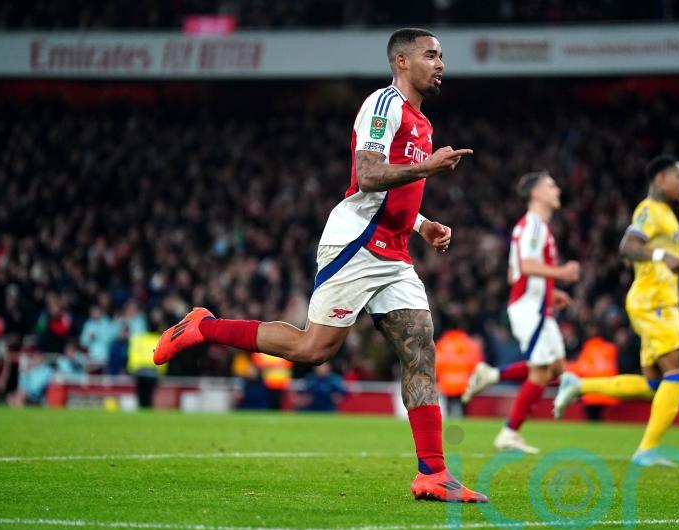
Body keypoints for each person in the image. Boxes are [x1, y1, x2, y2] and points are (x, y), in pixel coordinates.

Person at [152, 28, 487, 503]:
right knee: (313, 350)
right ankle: (206, 328)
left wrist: (423, 223)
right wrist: (427, 169)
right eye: (431, 55)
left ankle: (432, 474)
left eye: (441, 56)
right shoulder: (383, 105)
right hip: (356, 243)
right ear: (401, 62)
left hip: (394, 251)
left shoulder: (424, 124)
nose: (441, 63)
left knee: (419, 346)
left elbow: (395, 194)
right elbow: (367, 176)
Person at [553, 154, 679, 467]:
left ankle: (578, 385)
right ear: (661, 178)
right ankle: (647, 451)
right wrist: (665, 254)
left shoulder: (665, 214)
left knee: (653, 384)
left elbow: (651, 247)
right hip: (655, 302)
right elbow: (628, 246)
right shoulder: (650, 210)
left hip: (657, 301)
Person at [461, 172, 579, 454]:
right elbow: (526, 266)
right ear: (536, 193)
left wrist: (552, 291)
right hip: (529, 309)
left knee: (555, 369)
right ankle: (508, 432)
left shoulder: (536, 227)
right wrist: (561, 273)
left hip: (538, 306)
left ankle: (493, 375)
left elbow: (515, 271)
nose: (557, 189)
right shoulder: (533, 226)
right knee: (541, 372)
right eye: (551, 185)